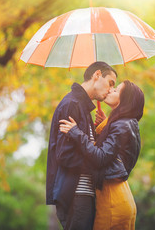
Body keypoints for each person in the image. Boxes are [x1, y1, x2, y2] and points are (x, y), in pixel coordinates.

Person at [59, 80, 145, 230]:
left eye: (116, 90)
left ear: (125, 101)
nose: (111, 90)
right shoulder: (127, 123)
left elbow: (100, 158)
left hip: (112, 202)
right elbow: (116, 153)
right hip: (120, 197)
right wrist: (104, 125)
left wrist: (76, 133)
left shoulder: (121, 125)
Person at [46, 61, 117, 230]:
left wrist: (100, 129)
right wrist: (97, 163)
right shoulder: (72, 104)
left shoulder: (83, 108)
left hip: (84, 194)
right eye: (110, 83)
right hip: (75, 194)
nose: (110, 90)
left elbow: (86, 147)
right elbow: (65, 155)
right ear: (97, 75)